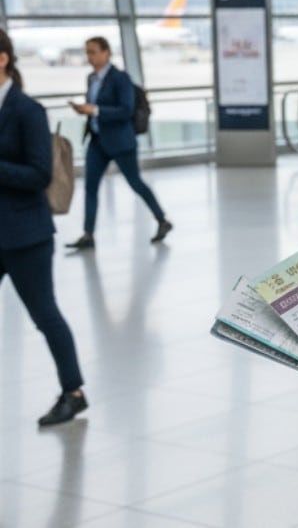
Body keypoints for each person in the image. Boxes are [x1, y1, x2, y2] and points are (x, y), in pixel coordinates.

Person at [0, 29, 88, 426]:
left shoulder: (26, 111)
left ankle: (73, 392)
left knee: (44, 314)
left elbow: (38, 174)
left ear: (3, 59)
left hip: (24, 235)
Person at [66, 37, 171, 250]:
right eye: (87, 52)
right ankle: (88, 234)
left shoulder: (120, 78)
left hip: (120, 141)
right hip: (98, 141)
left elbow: (126, 110)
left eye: (94, 52)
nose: (90, 57)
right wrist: (84, 110)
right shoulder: (91, 79)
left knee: (135, 183)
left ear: (106, 53)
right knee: (90, 187)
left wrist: (95, 110)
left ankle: (162, 220)